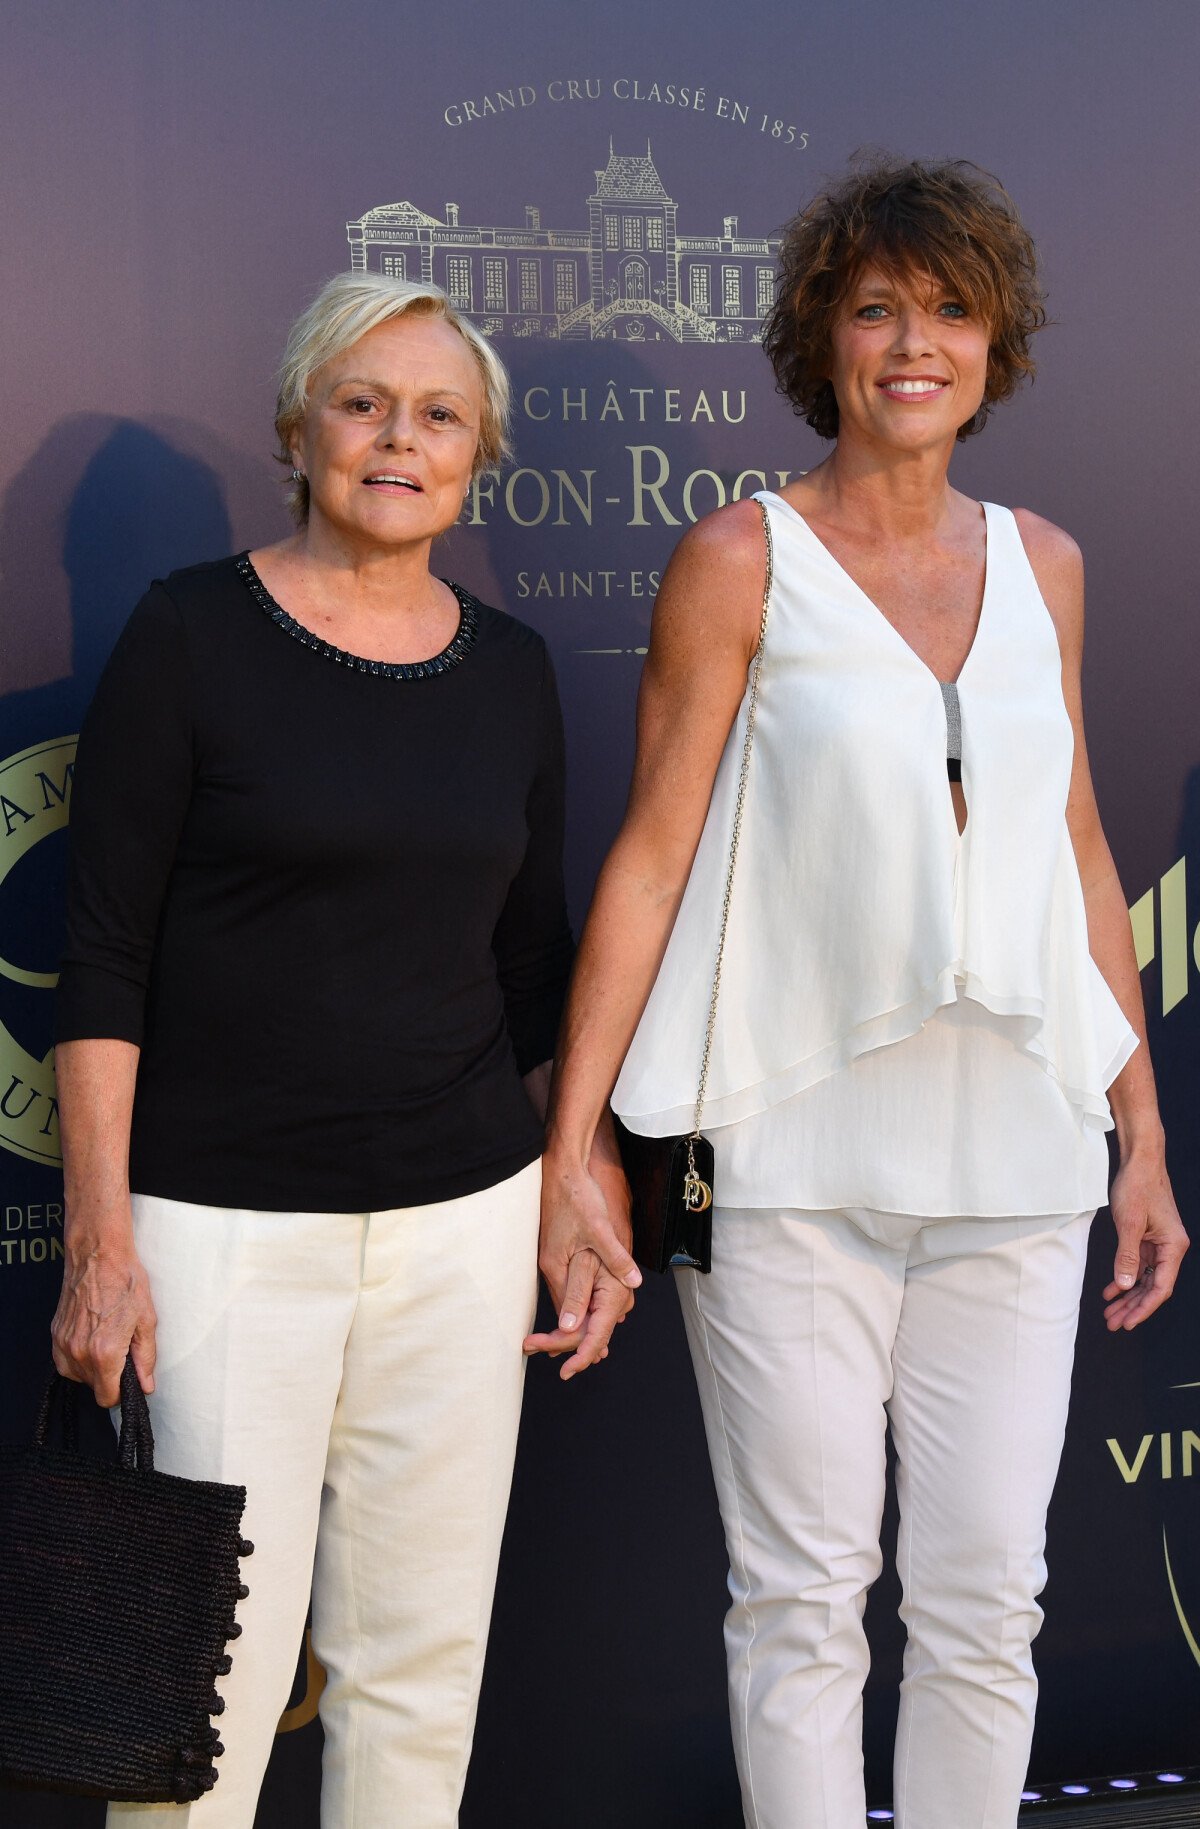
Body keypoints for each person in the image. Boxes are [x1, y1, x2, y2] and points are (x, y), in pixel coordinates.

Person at [527, 159, 1189, 1827]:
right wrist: (575, 1142)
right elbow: (650, 859)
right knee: (803, 1602)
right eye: (878, 306)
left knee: (988, 1605)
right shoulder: (738, 558)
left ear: (997, 343)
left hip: (1017, 1161)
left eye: (950, 309)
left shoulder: (1049, 563)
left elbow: (1082, 846)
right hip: (784, 1165)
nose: (915, 343)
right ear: (821, 336)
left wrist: (1142, 1131)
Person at [51, 272, 574, 1828]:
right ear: (299, 427)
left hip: (462, 1225)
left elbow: (530, 964)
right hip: (218, 1239)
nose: (396, 440)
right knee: (196, 1686)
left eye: (438, 415)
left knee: (421, 1665)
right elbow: (107, 959)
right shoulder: (189, 633)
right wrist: (102, 1241)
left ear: (477, 456)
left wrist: (584, 1189)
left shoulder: (518, 669)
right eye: (363, 403)